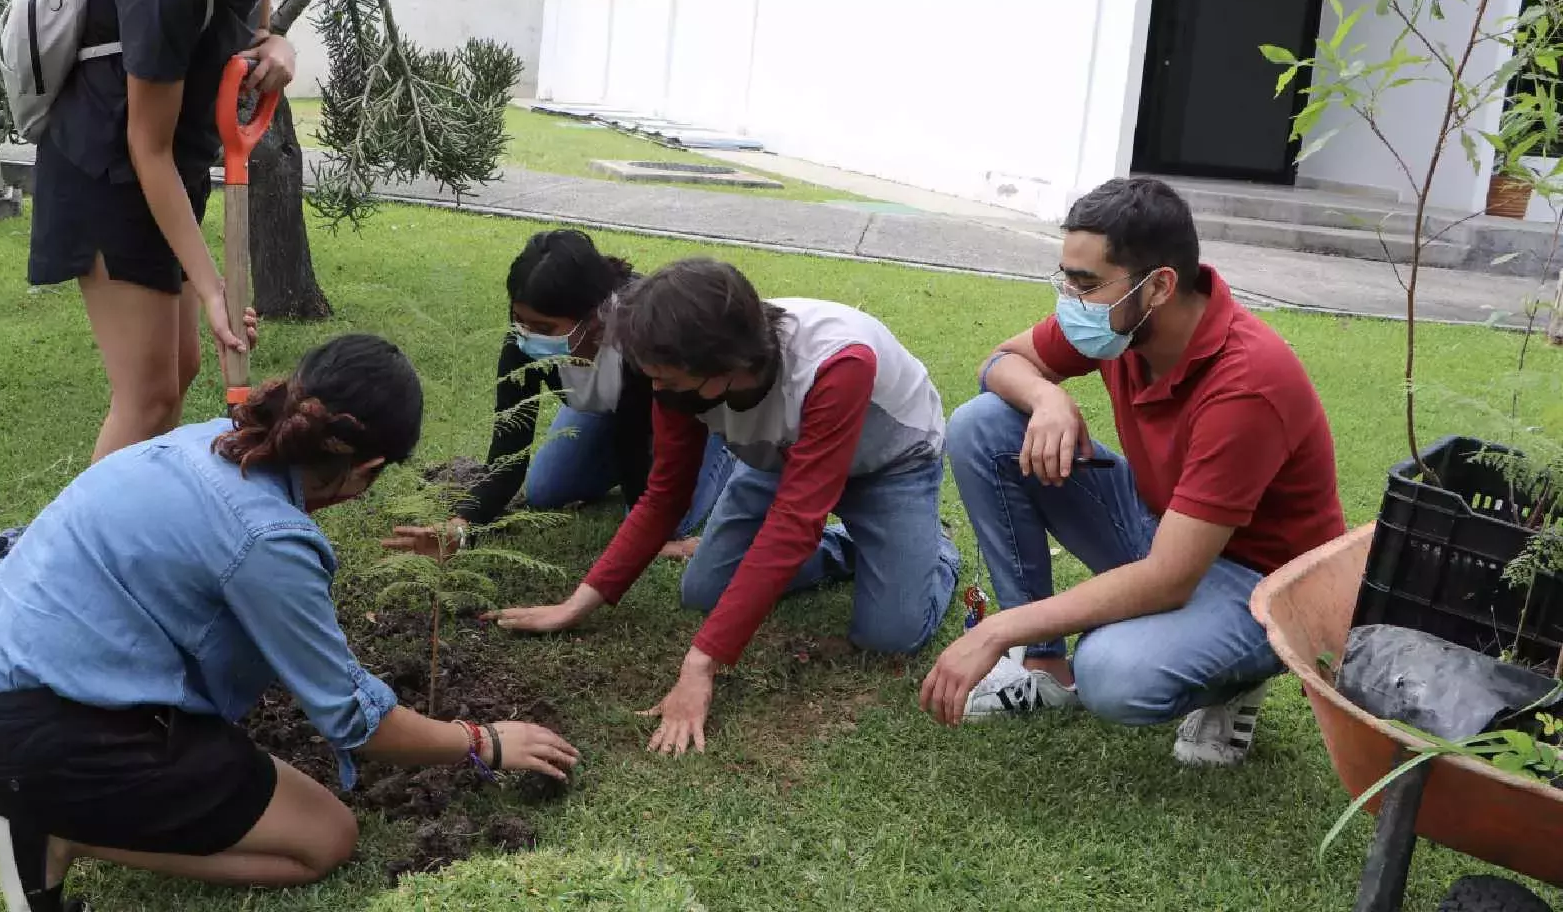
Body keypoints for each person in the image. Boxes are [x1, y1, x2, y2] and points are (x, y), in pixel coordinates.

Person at [0, 335, 578, 912]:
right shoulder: (268, 537)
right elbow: (358, 725)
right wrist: (482, 740)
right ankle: (57, 833)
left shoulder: (210, 440)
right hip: (50, 741)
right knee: (325, 839)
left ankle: (57, 807)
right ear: (368, 469)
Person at [919, 178, 1344, 766]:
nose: (1069, 297)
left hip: (1263, 587)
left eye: (1086, 283)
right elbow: (1001, 362)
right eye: (1066, 276)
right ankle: (1043, 666)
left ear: (1161, 286)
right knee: (984, 426)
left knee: (1113, 672)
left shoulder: (1247, 383)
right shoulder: (1119, 325)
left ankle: (1233, 679)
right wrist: (1048, 399)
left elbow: (1169, 578)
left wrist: (999, 628)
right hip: (1166, 527)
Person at [491, 259, 962, 754]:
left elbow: (795, 521)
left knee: (889, 634)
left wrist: (701, 662)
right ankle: (850, 550)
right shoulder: (676, 372)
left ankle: (938, 551)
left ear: (727, 366)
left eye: (668, 382)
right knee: (705, 590)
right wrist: (577, 604)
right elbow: (665, 495)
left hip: (888, 462)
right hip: (775, 457)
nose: (657, 392)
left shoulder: (838, 362)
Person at [29, 0, 329, 461]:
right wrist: (216, 288)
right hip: (110, 174)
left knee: (181, 372)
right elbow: (148, 147)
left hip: (169, 172)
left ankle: (136, 525)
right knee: (148, 396)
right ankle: (84, 552)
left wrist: (278, 45)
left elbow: (256, 17)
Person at [386, 231, 734, 561]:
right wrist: (459, 527)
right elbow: (509, 454)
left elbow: (633, 438)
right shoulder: (521, 346)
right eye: (518, 319)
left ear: (594, 316)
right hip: (610, 411)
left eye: (543, 328)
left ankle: (730, 450)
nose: (526, 335)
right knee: (546, 491)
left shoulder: (642, 337)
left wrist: (651, 531)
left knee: (657, 519)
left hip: (685, 411)